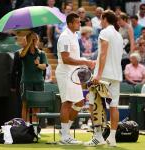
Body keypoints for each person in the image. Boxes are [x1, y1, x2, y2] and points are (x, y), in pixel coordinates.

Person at [84, 10, 123, 147]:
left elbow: (104, 54)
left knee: (94, 104)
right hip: (116, 75)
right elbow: (108, 55)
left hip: (104, 75)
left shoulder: (105, 32)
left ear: (105, 19)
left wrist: (98, 74)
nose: (100, 21)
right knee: (114, 106)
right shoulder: (118, 35)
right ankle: (112, 138)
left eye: (101, 19)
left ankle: (98, 136)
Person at [55, 12, 95, 145]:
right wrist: (85, 62)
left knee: (79, 103)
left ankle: (64, 131)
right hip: (65, 73)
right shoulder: (65, 37)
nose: (79, 24)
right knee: (67, 103)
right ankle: (65, 136)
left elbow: (73, 57)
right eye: (77, 22)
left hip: (73, 73)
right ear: (70, 23)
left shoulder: (74, 35)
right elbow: (66, 59)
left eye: (79, 22)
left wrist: (83, 62)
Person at [18, 30, 48, 136]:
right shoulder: (23, 52)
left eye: (36, 39)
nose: (35, 41)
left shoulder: (41, 53)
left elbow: (44, 66)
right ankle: (24, 128)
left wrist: (38, 64)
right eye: (33, 39)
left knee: (36, 106)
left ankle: (35, 129)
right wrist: (29, 43)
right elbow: (21, 56)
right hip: (26, 82)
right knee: (25, 105)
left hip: (38, 82)